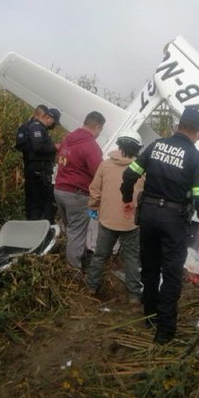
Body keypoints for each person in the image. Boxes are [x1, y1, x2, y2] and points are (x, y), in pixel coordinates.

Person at [120, 107, 199, 344]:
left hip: (148, 216)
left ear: (178, 125)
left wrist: (127, 198)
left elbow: (130, 175)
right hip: (173, 220)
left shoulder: (155, 146)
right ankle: (164, 331)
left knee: (149, 269)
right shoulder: (195, 158)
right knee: (171, 274)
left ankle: (149, 316)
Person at [85, 130, 145, 303]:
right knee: (131, 259)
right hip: (130, 222)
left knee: (100, 255)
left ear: (119, 146)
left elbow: (95, 191)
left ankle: (91, 287)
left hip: (107, 220)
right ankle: (134, 295)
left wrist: (94, 207)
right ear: (137, 149)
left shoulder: (105, 165)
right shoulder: (142, 169)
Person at [54, 111, 106, 269]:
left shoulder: (68, 140)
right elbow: (99, 173)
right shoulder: (90, 145)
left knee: (71, 228)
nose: (99, 134)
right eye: (100, 130)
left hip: (59, 190)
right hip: (77, 195)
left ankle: (77, 256)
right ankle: (73, 270)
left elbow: (60, 160)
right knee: (77, 232)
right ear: (97, 126)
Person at [16, 105, 61, 221]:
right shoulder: (37, 128)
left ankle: (32, 223)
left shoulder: (32, 126)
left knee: (33, 200)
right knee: (40, 201)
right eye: (53, 122)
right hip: (39, 171)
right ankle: (38, 226)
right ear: (49, 118)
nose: (53, 125)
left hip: (33, 169)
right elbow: (38, 147)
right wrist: (55, 147)